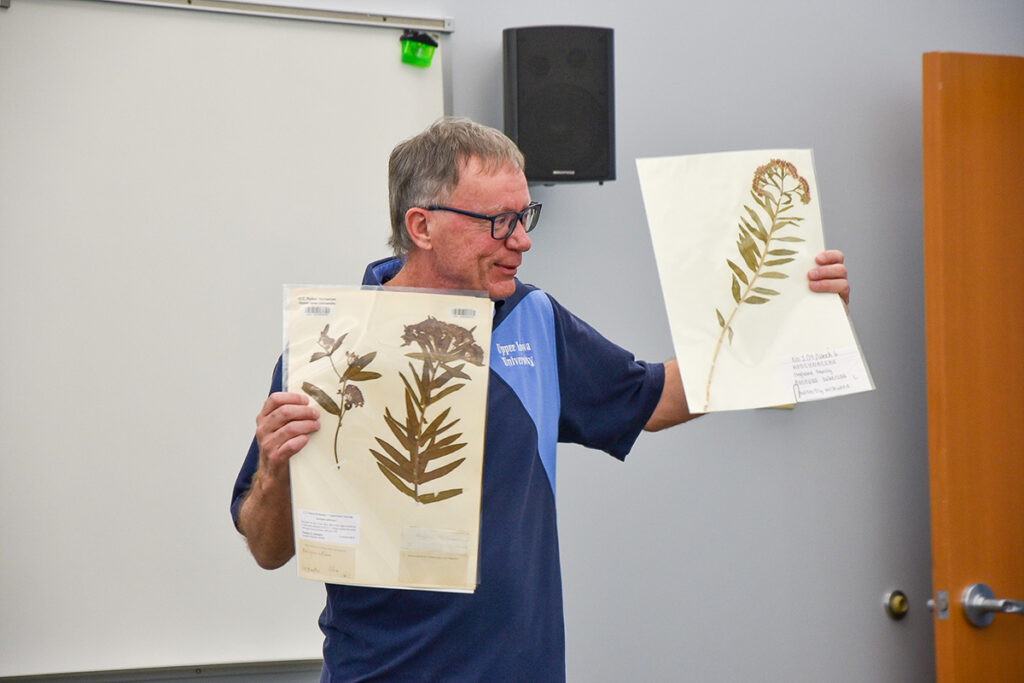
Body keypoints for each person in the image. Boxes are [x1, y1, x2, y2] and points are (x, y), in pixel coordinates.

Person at [231, 117, 850, 681]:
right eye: (498, 222)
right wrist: (275, 470)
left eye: (526, 217)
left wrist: (789, 323)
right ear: (422, 226)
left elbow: (656, 399)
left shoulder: (535, 321)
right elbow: (267, 548)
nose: (521, 241)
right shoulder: (328, 348)